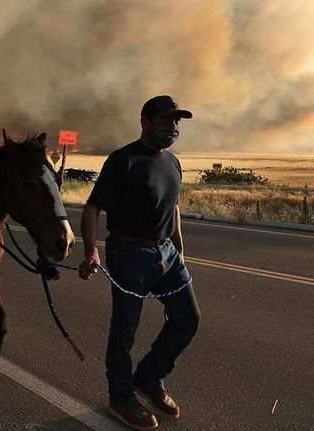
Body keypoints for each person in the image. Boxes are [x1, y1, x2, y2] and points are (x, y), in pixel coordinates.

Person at [78, 95, 201, 430]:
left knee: (187, 319)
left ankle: (149, 377)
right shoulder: (124, 160)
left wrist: (179, 248)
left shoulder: (173, 162)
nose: (172, 127)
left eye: (176, 121)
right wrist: (91, 250)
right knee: (124, 331)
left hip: (167, 254)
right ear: (145, 121)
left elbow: (172, 206)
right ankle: (120, 396)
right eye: (165, 121)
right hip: (129, 254)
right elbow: (92, 208)